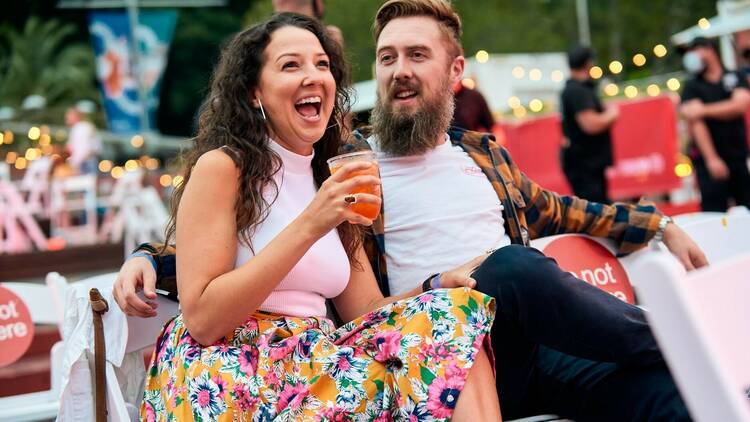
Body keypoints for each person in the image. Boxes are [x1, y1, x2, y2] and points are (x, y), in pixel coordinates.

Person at [119, 1, 708, 420]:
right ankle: (696, 335)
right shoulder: (350, 166)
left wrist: (659, 224)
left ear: (453, 73)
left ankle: (697, 353)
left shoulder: (484, 157)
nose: (399, 69)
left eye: (417, 54)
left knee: (671, 392)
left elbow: (569, 211)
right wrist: (147, 256)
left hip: (520, 340)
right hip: (432, 344)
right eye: (386, 57)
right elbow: (223, 256)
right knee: (501, 277)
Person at [137, 12, 499, 421]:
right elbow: (203, 320)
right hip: (232, 371)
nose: (313, 76)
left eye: (321, 64)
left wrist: (436, 286)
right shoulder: (223, 168)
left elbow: (368, 312)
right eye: (291, 65)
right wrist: (312, 223)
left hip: (316, 365)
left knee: (453, 316)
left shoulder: (332, 175)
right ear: (254, 92)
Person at [680, 36, 750, 212]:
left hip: (737, 155)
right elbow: (695, 122)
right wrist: (712, 158)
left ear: (710, 50)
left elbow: (740, 105)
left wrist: (703, 110)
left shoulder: (735, 76)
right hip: (708, 163)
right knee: (713, 213)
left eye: (696, 51)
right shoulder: (692, 86)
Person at [560, 45, 619, 204]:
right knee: (596, 211)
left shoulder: (575, 89)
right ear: (588, 63)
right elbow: (590, 124)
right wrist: (611, 115)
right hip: (585, 164)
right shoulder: (578, 91)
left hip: (587, 162)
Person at [64, 107, 101, 175]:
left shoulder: (80, 128)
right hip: (88, 162)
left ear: (76, 116)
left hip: (84, 164)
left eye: (69, 115)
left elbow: (83, 149)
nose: (66, 118)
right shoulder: (85, 126)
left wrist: (74, 164)